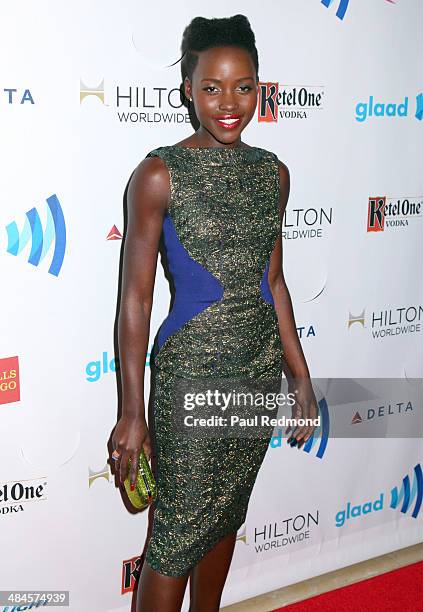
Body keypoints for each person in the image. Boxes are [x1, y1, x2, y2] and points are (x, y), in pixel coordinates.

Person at [111, 14, 318, 612]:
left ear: (260, 87)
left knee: (225, 517)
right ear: (187, 89)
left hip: (255, 368)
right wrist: (131, 411)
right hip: (190, 376)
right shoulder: (158, 174)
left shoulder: (272, 174)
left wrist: (299, 374)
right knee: (174, 539)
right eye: (212, 87)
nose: (230, 103)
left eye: (244, 87)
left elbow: (273, 281)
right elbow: (135, 298)